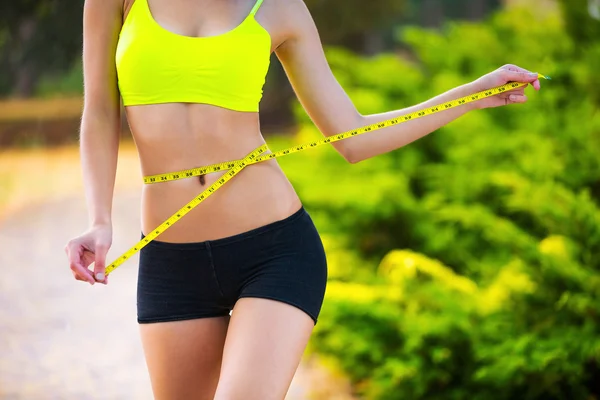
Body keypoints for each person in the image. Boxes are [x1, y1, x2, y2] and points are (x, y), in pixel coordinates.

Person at [64, 0, 542, 398]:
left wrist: (467, 96)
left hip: (274, 252)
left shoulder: (278, 7)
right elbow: (101, 112)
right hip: (172, 262)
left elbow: (352, 137)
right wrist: (99, 220)